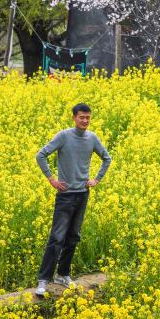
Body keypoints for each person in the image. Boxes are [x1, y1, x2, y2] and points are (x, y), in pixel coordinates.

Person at [35, 102, 112, 297]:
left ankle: (62, 274)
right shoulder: (64, 136)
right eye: (81, 117)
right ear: (74, 118)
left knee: (73, 236)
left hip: (82, 194)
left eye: (88, 117)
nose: (85, 120)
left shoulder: (92, 138)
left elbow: (107, 158)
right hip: (65, 195)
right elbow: (41, 155)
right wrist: (52, 179)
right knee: (57, 237)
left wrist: (96, 180)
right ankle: (44, 280)